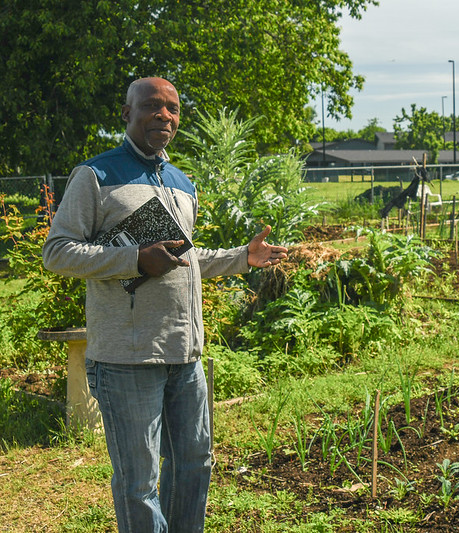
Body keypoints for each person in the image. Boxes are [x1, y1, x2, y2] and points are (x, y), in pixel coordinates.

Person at [42, 77, 288, 532]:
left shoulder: (181, 183)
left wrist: (242, 258)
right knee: (140, 482)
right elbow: (57, 252)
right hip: (126, 358)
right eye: (152, 106)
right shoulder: (96, 175)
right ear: (127, 113)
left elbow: (185, 259)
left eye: (172, 108)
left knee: (195, 466)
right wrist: (134, 258)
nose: (164, 115)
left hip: (185, 354)